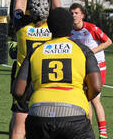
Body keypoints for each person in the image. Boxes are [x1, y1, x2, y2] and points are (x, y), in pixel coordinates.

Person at [12, 7, 103, 139]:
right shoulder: (83, 50)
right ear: (71, 26)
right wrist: (83, 97)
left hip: (38, 114)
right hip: (74, 113)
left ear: (48, 28)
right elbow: (96, 87)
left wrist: (35, 97)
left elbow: (18, 91)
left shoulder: (36, 51)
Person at [10, 0, 61, 139]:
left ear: (30, 10)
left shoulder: (23, 26)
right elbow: (58, 10)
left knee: (19, 121)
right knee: (46, 121)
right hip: (45, 77)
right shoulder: (52, 27)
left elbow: (17, 6)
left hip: (23, 78)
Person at [70, 3, 112, 139]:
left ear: (82, 15)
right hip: (82, 67)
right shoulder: (70, 30)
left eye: (76, 13)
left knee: (94, 99)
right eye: (72, 13)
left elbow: (108, 41)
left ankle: (103, 132)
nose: (74, 16)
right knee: (85, 98)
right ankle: (89, 129)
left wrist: (90, 52)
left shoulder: (91, 28)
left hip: (98, 67)